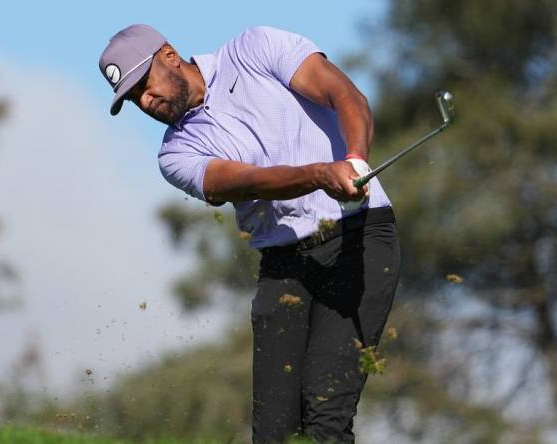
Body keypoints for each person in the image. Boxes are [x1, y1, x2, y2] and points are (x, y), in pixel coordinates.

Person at [99, 24, 401, 444]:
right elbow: (253, 181)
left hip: (359, 237)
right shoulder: (175, 155)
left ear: (168, 55)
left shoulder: (254, 49)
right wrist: (318, 173)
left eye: (144, 85)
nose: (144, 102)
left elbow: (345, 95)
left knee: (325, 416)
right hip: (284, 266)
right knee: (273, 433)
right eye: (133, 99)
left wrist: (354, 160)